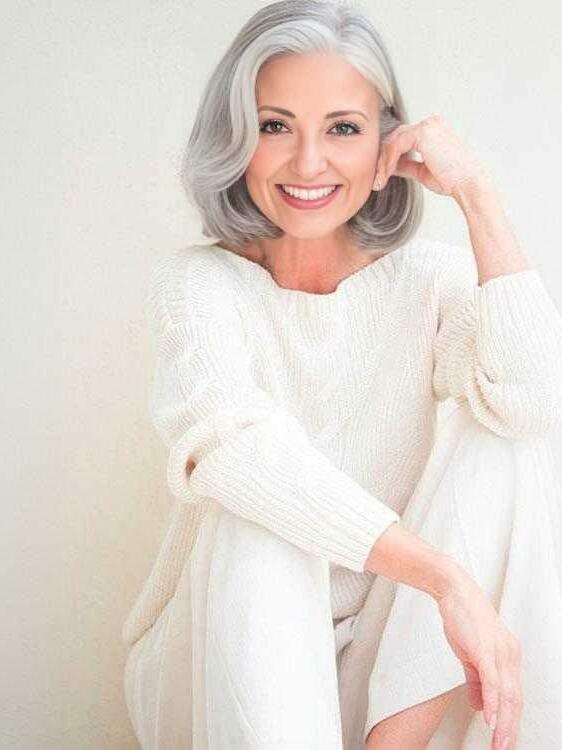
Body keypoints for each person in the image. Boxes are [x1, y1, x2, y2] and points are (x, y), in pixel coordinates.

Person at [121, 1, 562, 748]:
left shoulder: (428, 281)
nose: (308, 163)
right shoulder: (197, 286)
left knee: (499, 435)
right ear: (235, 138)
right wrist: (446, 580)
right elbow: (239, 453)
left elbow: (534, 404)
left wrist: (478, 197)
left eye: (343, 129)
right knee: (257, 502)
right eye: (275, 125)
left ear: (387, 144)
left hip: (388, 660)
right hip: (221, 655)